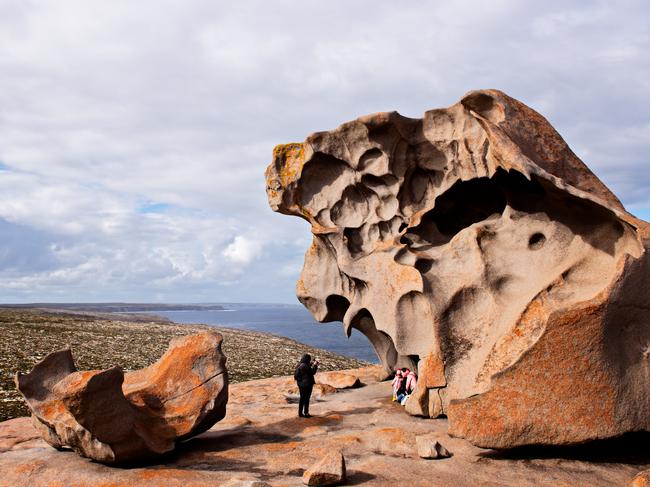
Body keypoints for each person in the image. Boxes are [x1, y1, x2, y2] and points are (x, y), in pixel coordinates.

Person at [294, 353, 319, 418]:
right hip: (307, 384)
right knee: (307, 398)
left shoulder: (299, 364)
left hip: (300, 384)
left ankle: (300, 413)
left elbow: (307, 366)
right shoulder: (305, 366)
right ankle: (306, 413)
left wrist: (312, 363)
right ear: (308, 359)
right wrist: (315, 365)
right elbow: (312, 372)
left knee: (302, 398)